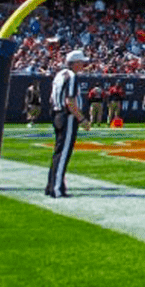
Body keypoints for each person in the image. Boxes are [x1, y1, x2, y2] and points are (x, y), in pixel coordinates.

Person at [45, 50, 90, 199]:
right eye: (81, 62)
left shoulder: (59, 75)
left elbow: (52, 99)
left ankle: (53, 185)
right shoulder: (71, 77)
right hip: (67, 117)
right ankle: (56, 188)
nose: (83, 65)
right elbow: (69, 101)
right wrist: (82, 119)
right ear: (75, 63)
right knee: (63, 153)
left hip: (58, 114)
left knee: (58, 152)